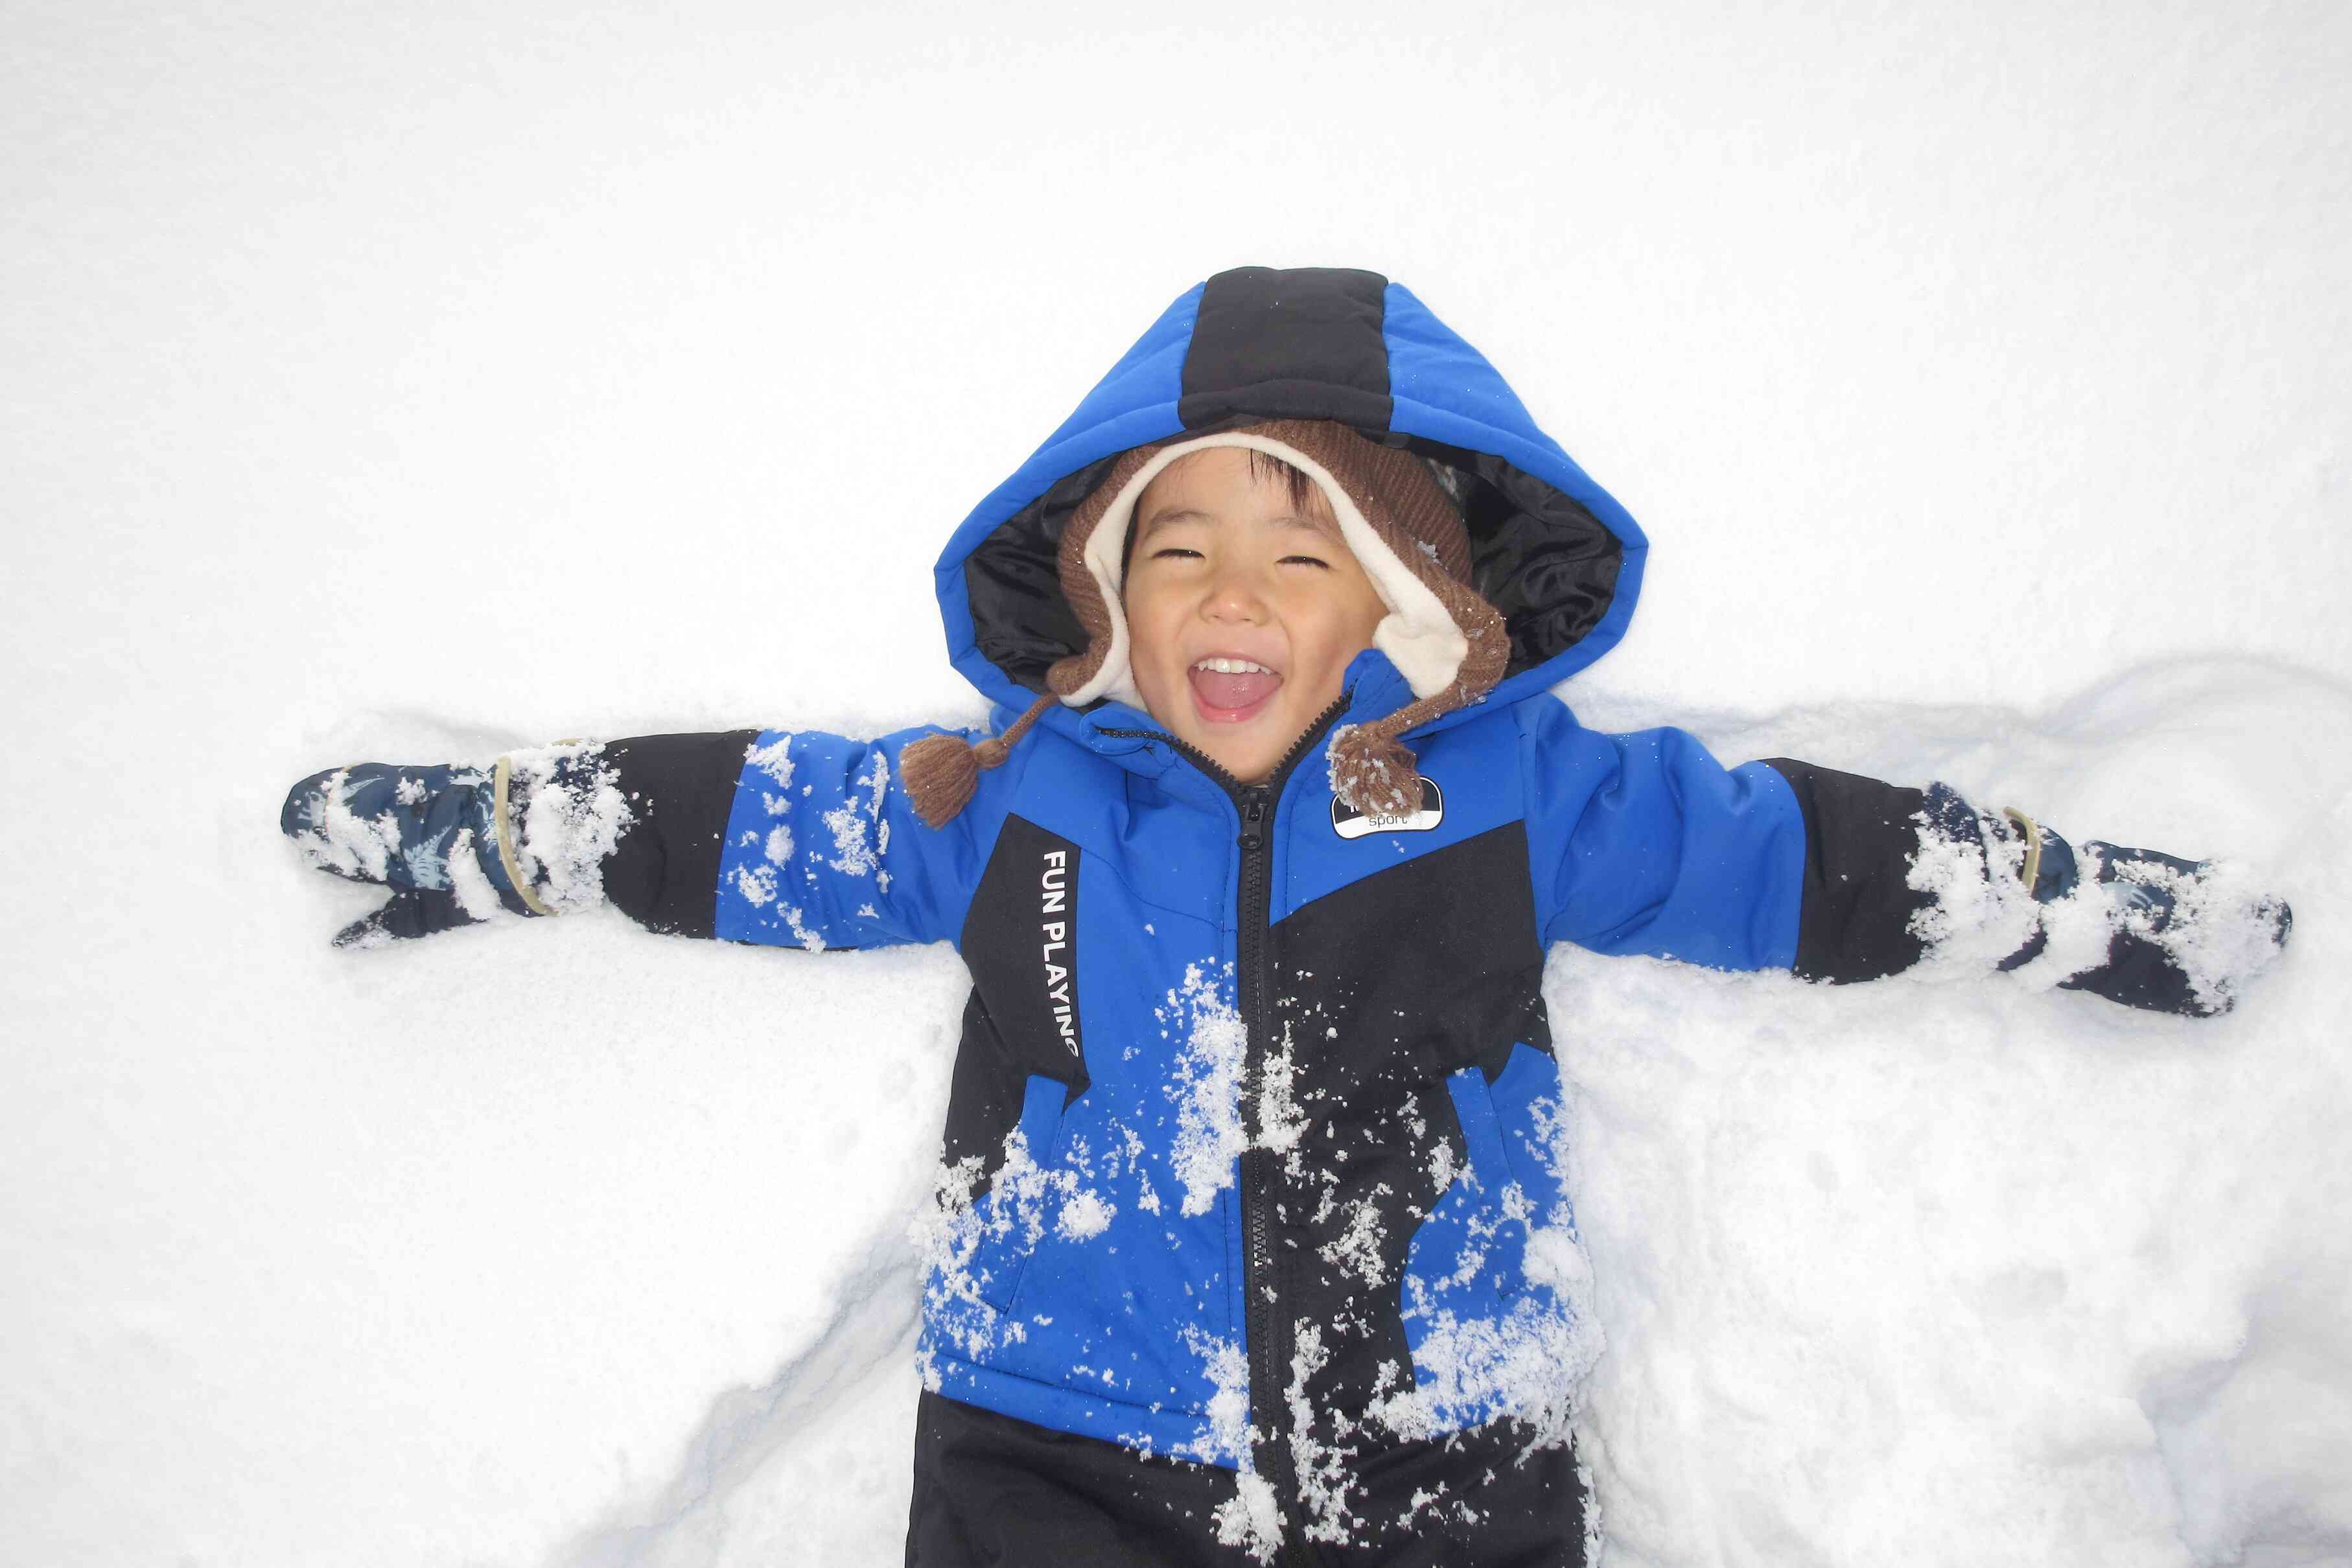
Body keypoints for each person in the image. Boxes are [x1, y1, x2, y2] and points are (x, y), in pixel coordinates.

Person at [280, 266, 2291, 1567]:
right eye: (1180, 546)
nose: (1232, 598)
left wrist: (2079, 905)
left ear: (1406, 600)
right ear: (1101, 590)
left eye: (1299, 546)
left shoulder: (1521, 790)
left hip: (1448, 1444)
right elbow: (760, 825)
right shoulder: (1014, 794)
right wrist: (504, 832)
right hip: (1052, 1455)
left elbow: (1793, 857)